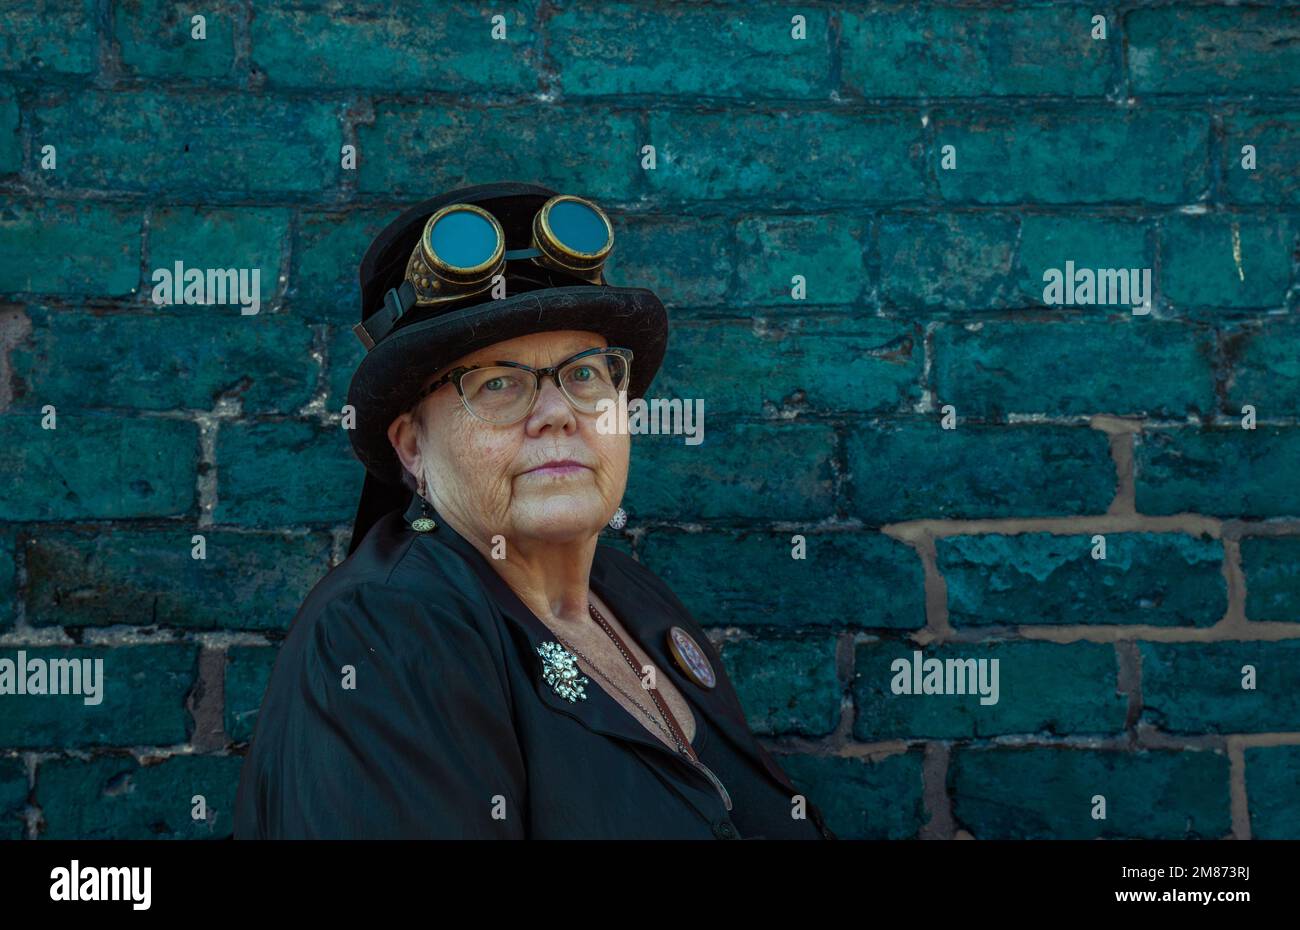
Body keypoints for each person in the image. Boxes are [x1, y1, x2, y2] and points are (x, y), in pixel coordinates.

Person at [233, 181, 836, 840]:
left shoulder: (631, 595)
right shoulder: (387, 631)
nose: (556, 414)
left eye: (583, 374)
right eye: (498, 383)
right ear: (412, 446)